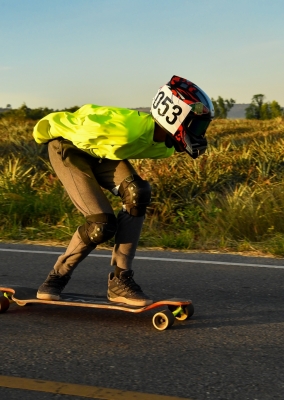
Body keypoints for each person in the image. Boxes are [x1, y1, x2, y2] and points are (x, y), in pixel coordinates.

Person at [32, 75, 214, 306]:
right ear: (174, 116)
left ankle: (120, 282)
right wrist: (41, 131)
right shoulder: (123, 129)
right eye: (196, 125)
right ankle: (56, 277)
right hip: (68, 146)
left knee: (138, 193)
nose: (199, 132)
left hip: (101, 153)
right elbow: (79, 117)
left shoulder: (164, 147)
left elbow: (113, 153)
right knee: (101, 225)